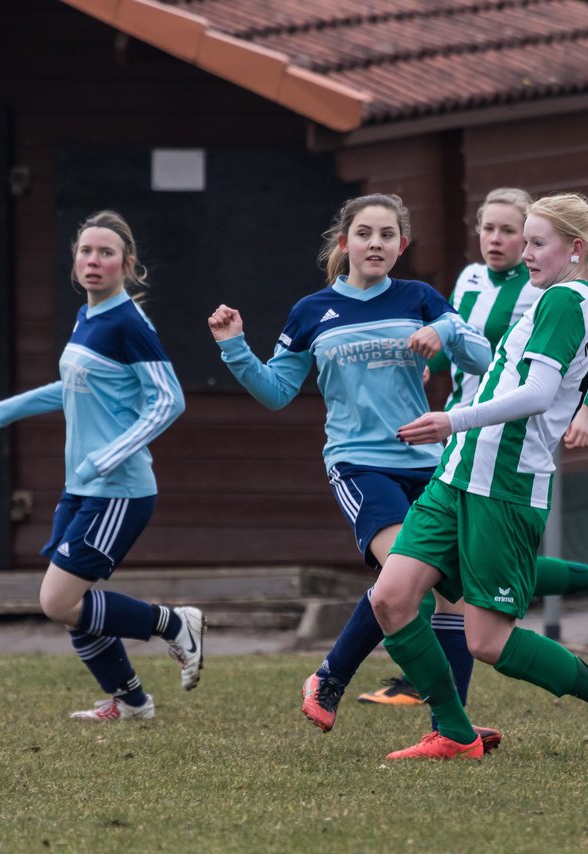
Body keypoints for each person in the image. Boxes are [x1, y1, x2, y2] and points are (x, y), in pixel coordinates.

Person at [369, 192, 588, 761]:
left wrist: (450, 419)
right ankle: (455, 734)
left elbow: (538, 395)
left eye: (537, 243)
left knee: (486, 642)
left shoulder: (566, 301)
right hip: (460, 472)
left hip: (504, 485)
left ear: (575, 250)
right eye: (525, 240)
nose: (525, 253)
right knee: (390, 599)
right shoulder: (548, 295)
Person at [204, 194, 497, 740]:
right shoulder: (312, 311)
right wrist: (234, 348)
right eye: (365, 234)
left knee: (451, 594)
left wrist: (448, 332)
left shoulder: (421, 298)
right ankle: (332, 679)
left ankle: (448, 728)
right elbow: (277, 392)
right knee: (406, 575)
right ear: (344, 243)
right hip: (359, 464)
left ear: (401, 246)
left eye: (388, 235)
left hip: (428, 463)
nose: (376, 244)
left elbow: (483, 360)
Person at [0, 211, 200, 721]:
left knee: (58, 600)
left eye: (105, 252)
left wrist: (110, 455)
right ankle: (132, 702)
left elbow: (169, 401)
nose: (94, 261)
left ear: (128, 263)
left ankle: (174, 623)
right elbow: (76, 388)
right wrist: (11, 409)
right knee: (75, 606)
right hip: (83, 485)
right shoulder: (89, 317)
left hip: (120, 488)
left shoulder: (128, 323)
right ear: (75, 260)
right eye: (86, 251)